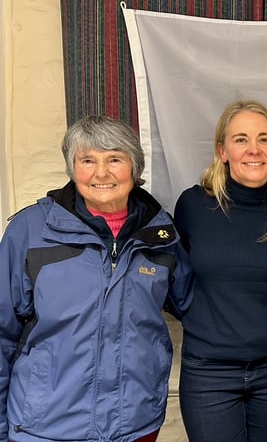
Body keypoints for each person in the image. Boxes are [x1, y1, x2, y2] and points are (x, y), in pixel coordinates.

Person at [0, 115, 193, 442]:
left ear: (135, 167)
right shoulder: (31, 231)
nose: (101, 173)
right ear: (72, 169)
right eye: (87, 160)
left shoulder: (162, 235)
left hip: (135, 424)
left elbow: (200, 309)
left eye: (115, 159)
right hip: (46, 427)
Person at [174, 100, 267, 442]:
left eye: (264, 139)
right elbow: (171, 272)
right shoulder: (193, 206)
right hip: (209, 372)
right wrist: (197, 316)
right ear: (223, 150)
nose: (253, 149)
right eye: (241, 139)